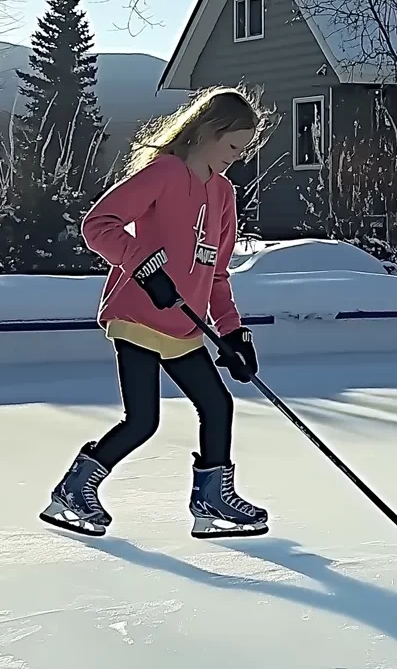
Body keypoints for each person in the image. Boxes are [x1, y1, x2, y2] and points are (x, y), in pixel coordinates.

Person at [40, 86, 274, 540]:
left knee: (217, 404)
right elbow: (98, 225)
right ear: (208, 131)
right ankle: (75, 489)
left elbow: (217, 274)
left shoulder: (223, 195)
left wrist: (233, 333)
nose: (237, 157)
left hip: (182, 325)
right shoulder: (164, 173)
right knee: (143, 420)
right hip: (137, 314)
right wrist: (143, 266)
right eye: (232, 146)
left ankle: (211, 498)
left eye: (243, 150)